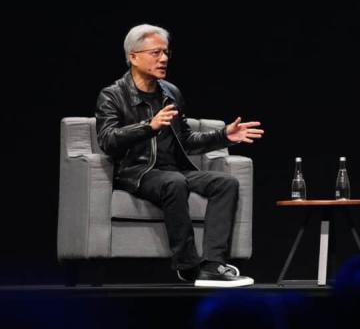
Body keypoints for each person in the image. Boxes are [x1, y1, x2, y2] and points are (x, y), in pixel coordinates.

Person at [95, 24, 263, 287]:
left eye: (165, 53)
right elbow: (107, 140)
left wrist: (223, 135)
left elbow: (185, 141)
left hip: (173, 169)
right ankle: (187, 266)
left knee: (225, 183)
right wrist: (147, 127)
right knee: (174, 182)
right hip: (138, 172)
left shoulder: (170, 93)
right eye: (155, 53)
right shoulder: (113, 95)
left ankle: (212, 264)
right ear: (133, 56)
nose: (163, 59)